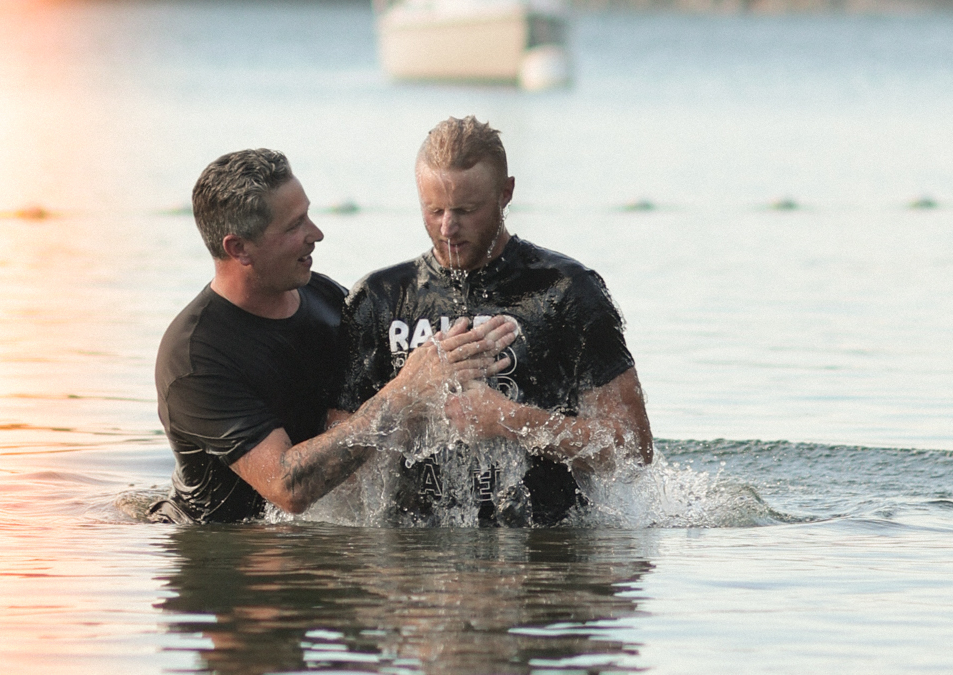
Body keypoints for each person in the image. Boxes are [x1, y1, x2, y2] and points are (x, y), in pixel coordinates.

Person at [150, 148, 517, 524]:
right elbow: (288, 488)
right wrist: (406, 390)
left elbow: (378, 409)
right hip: (222, 548)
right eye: (294, 226)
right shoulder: (195, 356)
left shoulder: (324, 297)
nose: (317, 234)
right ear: (238, 248)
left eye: (307, 215)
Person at [334, 116, 653, 527]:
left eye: (466, 210)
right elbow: (334, 442)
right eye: (434, 210)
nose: (448, 228)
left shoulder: (566, 292)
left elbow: (633, 447)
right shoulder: (379, 299)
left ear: (506, 194)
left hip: (545, 546)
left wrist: (508, 418)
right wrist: (405, 402)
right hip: (415, 549)